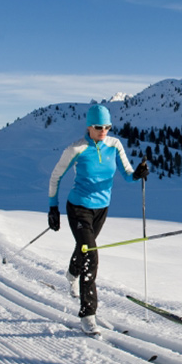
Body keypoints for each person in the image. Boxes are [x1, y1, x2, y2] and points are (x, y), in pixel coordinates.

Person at [47, 104, 149, 335]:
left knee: (84, 248)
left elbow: (127, 173)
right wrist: (52, 207)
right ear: (89, 126)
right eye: (98, 126)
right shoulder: (77, 148)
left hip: (101, 210)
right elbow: (55, 177)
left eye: (107, 126)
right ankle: (88, 313)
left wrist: (138, 174)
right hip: (78, 208)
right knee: (91, 254)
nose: (103, 130)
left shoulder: (114, 145)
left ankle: (71, 274)